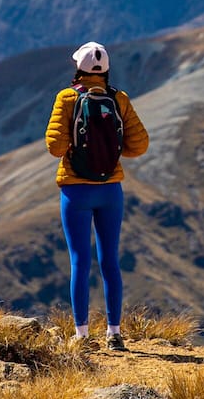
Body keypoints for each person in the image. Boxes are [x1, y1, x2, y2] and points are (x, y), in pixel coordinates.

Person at [45, 41, 148, 351]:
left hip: (76, 191)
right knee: (110, 262)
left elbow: (56, 148)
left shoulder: (67, 98)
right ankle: (114, 334)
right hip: (110, 191)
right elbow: (138, 146)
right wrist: (111, 152)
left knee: (80, 261)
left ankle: (82, 335)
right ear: (105, 71)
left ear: (78, 68)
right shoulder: (119, 99)